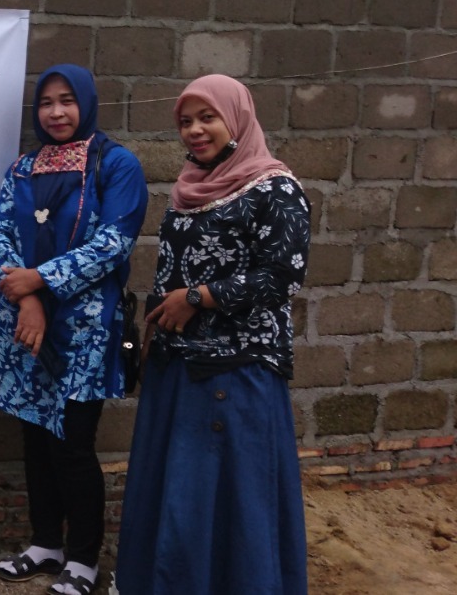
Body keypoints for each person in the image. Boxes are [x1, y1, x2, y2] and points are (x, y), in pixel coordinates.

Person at [114, 74, 310, 595]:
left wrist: (199, 298)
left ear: (237, 119)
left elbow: (281, 276)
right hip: (177, 369)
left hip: (236, 372)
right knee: (177, 495)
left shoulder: (275, 190)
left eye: (208, 118)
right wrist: (155, 332)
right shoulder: (191, 186)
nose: (195, 130)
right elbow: (171, 271)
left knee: (228, 499)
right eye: (186, 121)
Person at [0, 64, 148, 595]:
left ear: (87, 103)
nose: (56, 112)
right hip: (24, 324)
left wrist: (40, 279)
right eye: (47, 102)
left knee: (72, 443)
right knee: (35, 435)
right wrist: (28, 298)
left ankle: (83, 560)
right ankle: (45, 544)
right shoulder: (24, 168)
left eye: (67, 101)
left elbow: (113, 243)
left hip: (83, 331)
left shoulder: (115, 164)